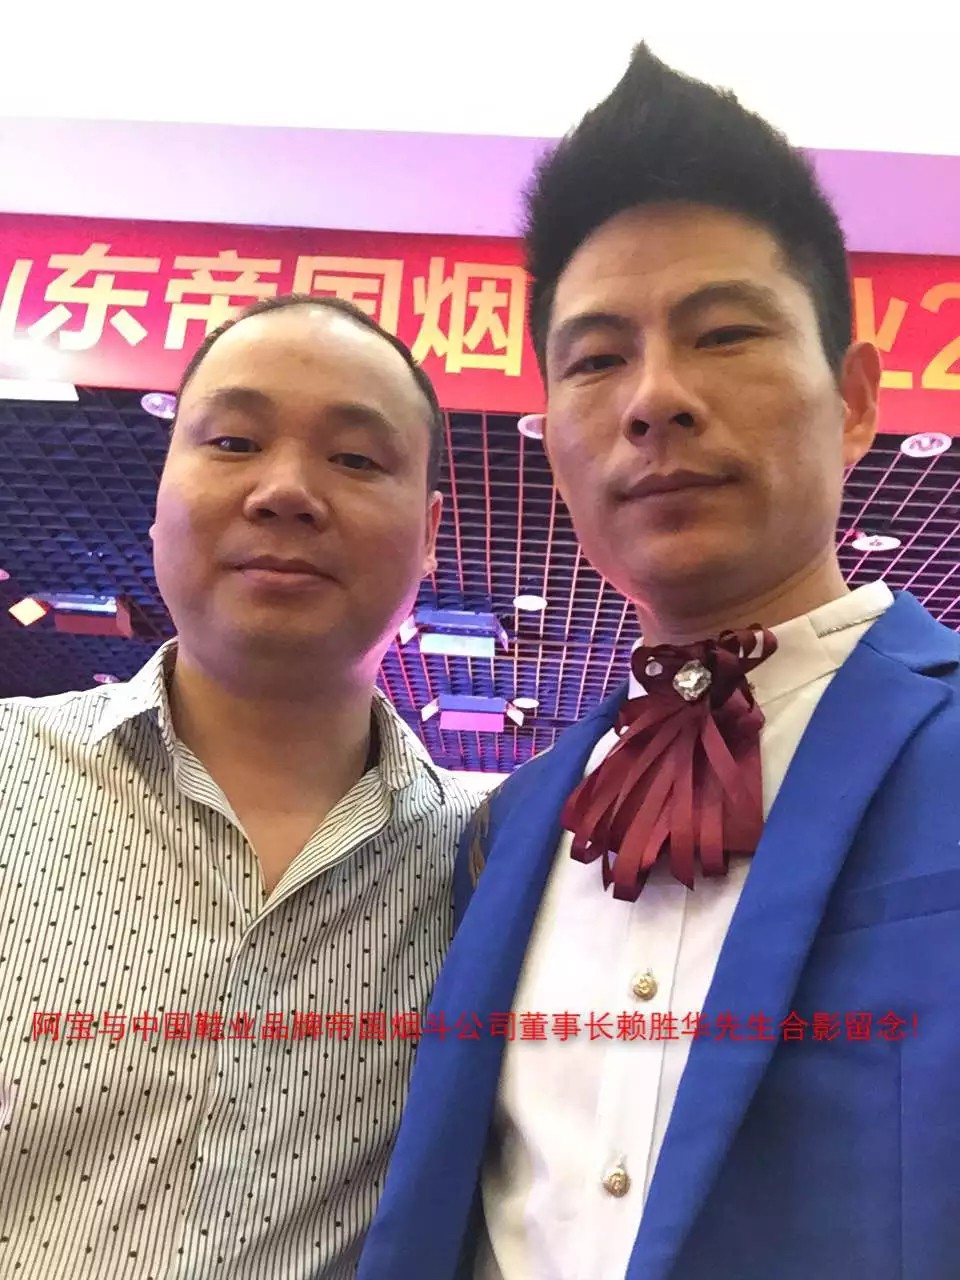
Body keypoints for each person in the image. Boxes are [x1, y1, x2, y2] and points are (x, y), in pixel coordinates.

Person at [358, 45, 960, 1280]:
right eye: (594, 359)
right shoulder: (508, 825)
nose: (655, 399)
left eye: (724, 333)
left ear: (855, 399)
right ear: (551, 433)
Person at [0, 294, 480, 1279]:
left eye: (356, 458)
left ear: (430, 532)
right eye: (233, 441)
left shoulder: (491, 871)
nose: (286, 491)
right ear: (162, 488)